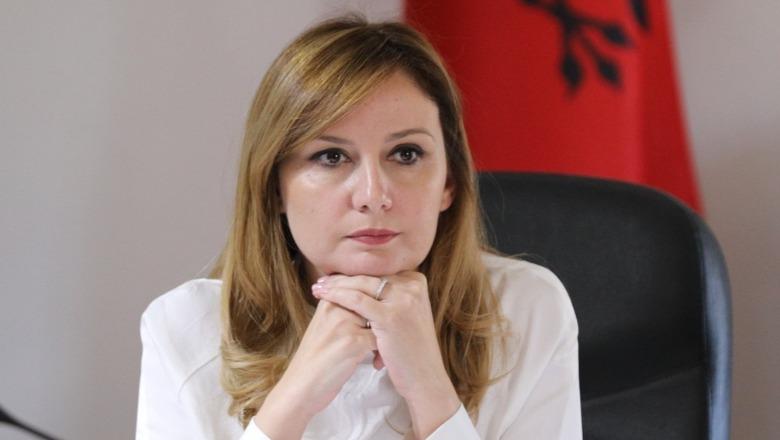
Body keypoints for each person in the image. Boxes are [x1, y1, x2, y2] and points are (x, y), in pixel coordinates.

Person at [135, 14, 581, 440]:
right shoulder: (185, 327)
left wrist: (429, 389)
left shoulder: (526, 309)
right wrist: (293, 401)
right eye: (331, 157)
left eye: (406, 154)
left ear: (449, 182)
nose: (373, 194)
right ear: (273, 189)